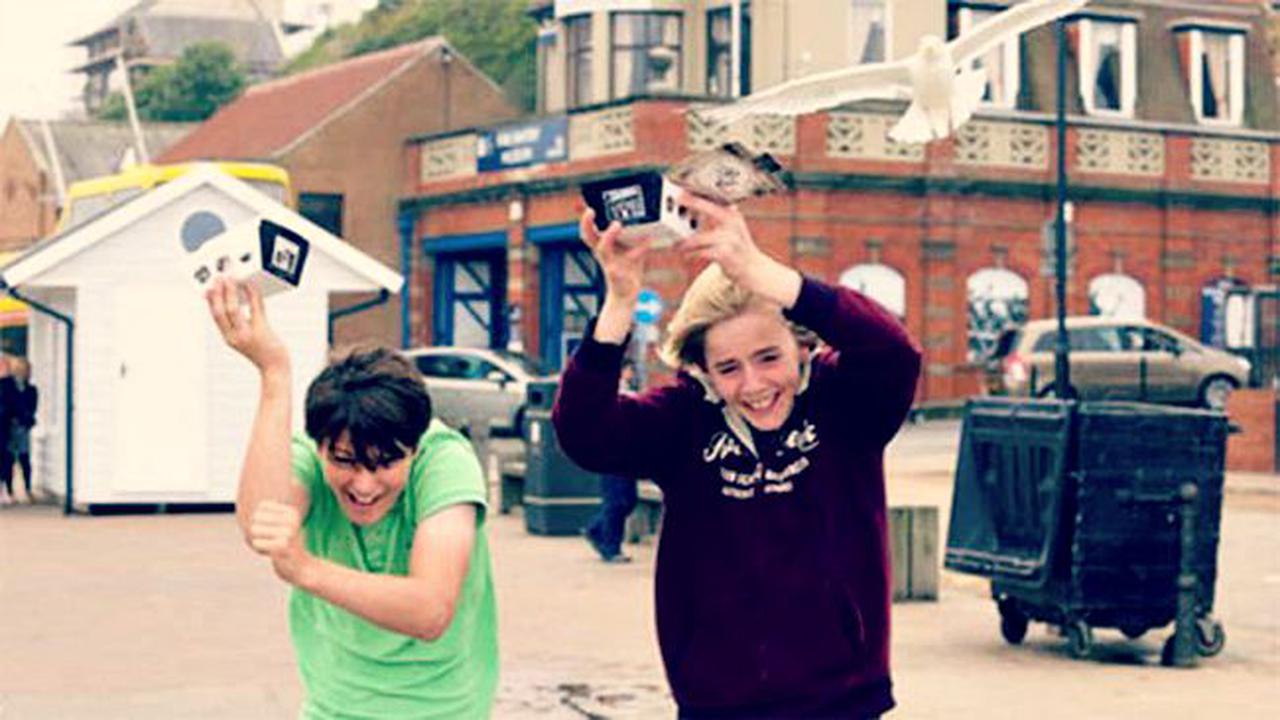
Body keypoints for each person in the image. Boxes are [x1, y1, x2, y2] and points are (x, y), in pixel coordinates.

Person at [552, 193, 922, 719]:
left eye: (769, 357)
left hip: (843, 700)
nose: (754, 385)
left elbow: (894, 351)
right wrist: (619, 302)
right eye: (728, 368)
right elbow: (584, 433)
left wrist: (760, 273)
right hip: (717, 704)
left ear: (803, 347)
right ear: (702, 371)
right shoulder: (682, 419)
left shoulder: (847, 402)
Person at [204, 276, 498, 719]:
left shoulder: (445, 462)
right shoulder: (309, 455)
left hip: (444, 711)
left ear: (415, 447)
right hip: (333, 707)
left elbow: (430, 611)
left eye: (384, 464)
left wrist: (305, 569)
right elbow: (261, 523)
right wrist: (274, 375)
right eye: (344, 461)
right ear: (320, 446)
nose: (363, 485)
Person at [582, 360, 640, 563]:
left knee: (628, 500)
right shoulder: (610, 393)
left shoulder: (628, 392)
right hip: (612, 452)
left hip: (627, 453)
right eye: (629, 370)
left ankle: (596, 529)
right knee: (617, 501)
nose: (632, 373)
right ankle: (611, 547)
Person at [6, 357, 37, 503]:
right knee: (9, 459)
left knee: (25, 459)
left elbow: (32, 407)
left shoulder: (31, 390)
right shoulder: (7, 386)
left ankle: (28, 489)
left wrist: (26, 419)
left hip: (23, 427)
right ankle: (9, 491)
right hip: (9, 427)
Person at [0, 355, 15, 506]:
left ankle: (6, 489)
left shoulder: (9, 384)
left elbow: (14, 404)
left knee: (6, 458)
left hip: (5, 428)